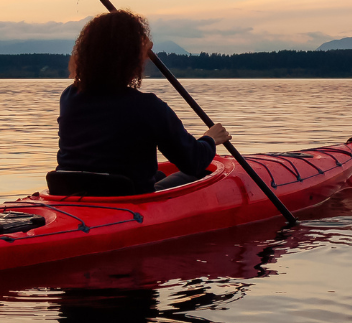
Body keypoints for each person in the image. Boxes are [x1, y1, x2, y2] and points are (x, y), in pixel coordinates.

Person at [55, 10, 230, 195]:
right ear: (129, 60)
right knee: (201, 172)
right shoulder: (148, 107)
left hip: (69, 191)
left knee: (159, 175)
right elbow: (193, 161)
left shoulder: (69, 96)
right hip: (126, 197)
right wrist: (210, 139)